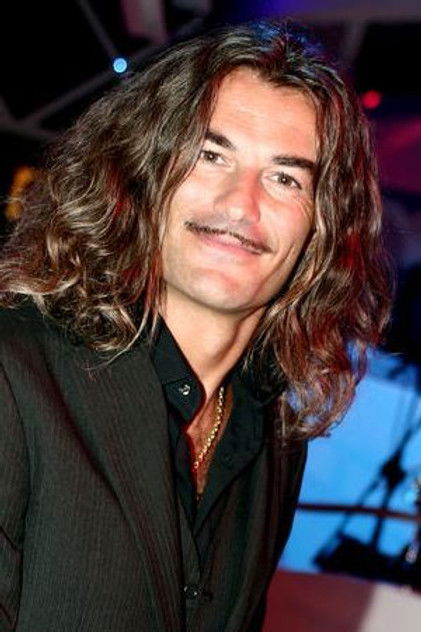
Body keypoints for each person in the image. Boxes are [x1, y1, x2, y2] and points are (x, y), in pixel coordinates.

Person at [0, 19, 391, 632]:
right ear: (141, 173)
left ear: (321, 228)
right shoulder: (15, 374)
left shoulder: (272, 436)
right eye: (212, 156)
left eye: (285, 178)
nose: (241, 204)